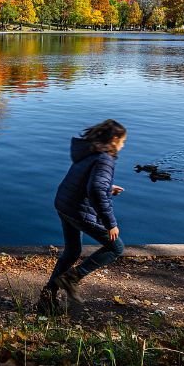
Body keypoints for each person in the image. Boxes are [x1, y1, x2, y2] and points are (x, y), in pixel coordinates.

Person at [42, 119, 128, 314]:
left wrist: (108, 188)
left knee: (72, 251)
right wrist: (110, 223)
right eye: (123, 141)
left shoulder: (90, 152)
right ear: (114, 140)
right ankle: (72, 278)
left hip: (64, 205)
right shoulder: (105, 158)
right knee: (116, 247)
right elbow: (96, 189)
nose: (123, 145)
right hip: (78, 210)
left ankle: (47, 298)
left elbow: (91, 183)